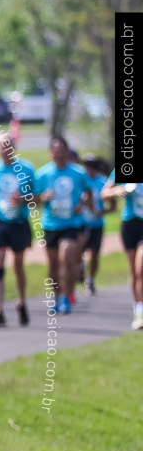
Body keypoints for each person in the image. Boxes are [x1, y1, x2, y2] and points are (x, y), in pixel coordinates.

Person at [0, 132, 35, 326]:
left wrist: (23, 200)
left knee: (18, 265)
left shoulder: (26, 169)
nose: (5, 150)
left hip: (19, 222)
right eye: (2, 146)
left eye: (8, 145)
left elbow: (36, 198)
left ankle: (21, 301)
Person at [35, 135, 92, 314]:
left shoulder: (78, 173)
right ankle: (56, 296)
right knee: (53, 264)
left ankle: (68, 295)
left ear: (67, 152)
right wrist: (44, 197)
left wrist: (82, 205)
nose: (58, 154)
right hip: (51, 224)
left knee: (66, 257)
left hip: (72, 222)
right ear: (51, 153)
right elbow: (34, 199)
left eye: (62, 151)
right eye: (55, 151)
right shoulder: (43, 174)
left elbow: (89, 193)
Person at [101, 169, 143, 330]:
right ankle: (138, 309)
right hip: (131, 223)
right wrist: (119, 190)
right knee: (134, 270)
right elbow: (104, 193)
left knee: (141, 268)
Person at [81, 155, 115, 296]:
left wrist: (103, 211)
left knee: (94, 254)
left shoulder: (102, 182)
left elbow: (112, 206)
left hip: (96, 223)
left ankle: (90, 279)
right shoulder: (80, 180)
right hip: (81, 223)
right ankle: (80, 268)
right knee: (78, 251)